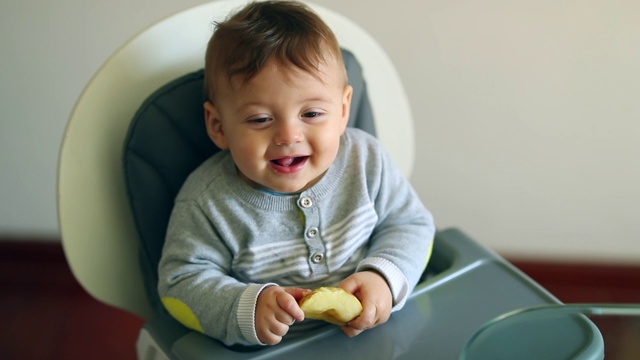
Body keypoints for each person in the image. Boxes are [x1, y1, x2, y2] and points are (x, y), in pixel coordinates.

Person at [157, 0, 435, 347]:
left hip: (377, 335)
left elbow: (411, 225)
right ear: (218, 126)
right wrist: (245, 308)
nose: (288, 136)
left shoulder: (367, 161)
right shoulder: (208, 202)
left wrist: (384, 276)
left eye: (313, 113)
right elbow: (179, 283)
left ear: (344, 109)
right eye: (260, 119)